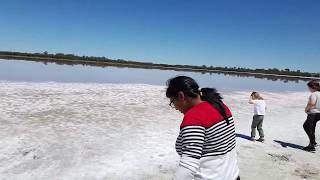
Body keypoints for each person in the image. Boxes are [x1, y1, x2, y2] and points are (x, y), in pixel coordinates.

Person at [166, 76, 240, 180]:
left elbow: (188, 165)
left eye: (173, 102)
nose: (176, 107)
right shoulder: (220, 105)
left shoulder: (194, 118)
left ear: (181, 96)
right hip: (233, 176)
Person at [302, 80, 320, 152]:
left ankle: (311, 146)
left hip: (313, 113)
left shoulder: (314, 94)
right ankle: (313, 142)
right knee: (311, 127)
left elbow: (312, 103)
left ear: (313, 87)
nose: (308, 89)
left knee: (307, 127)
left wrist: (306, 109)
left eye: (309, 87)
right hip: (319, 113)